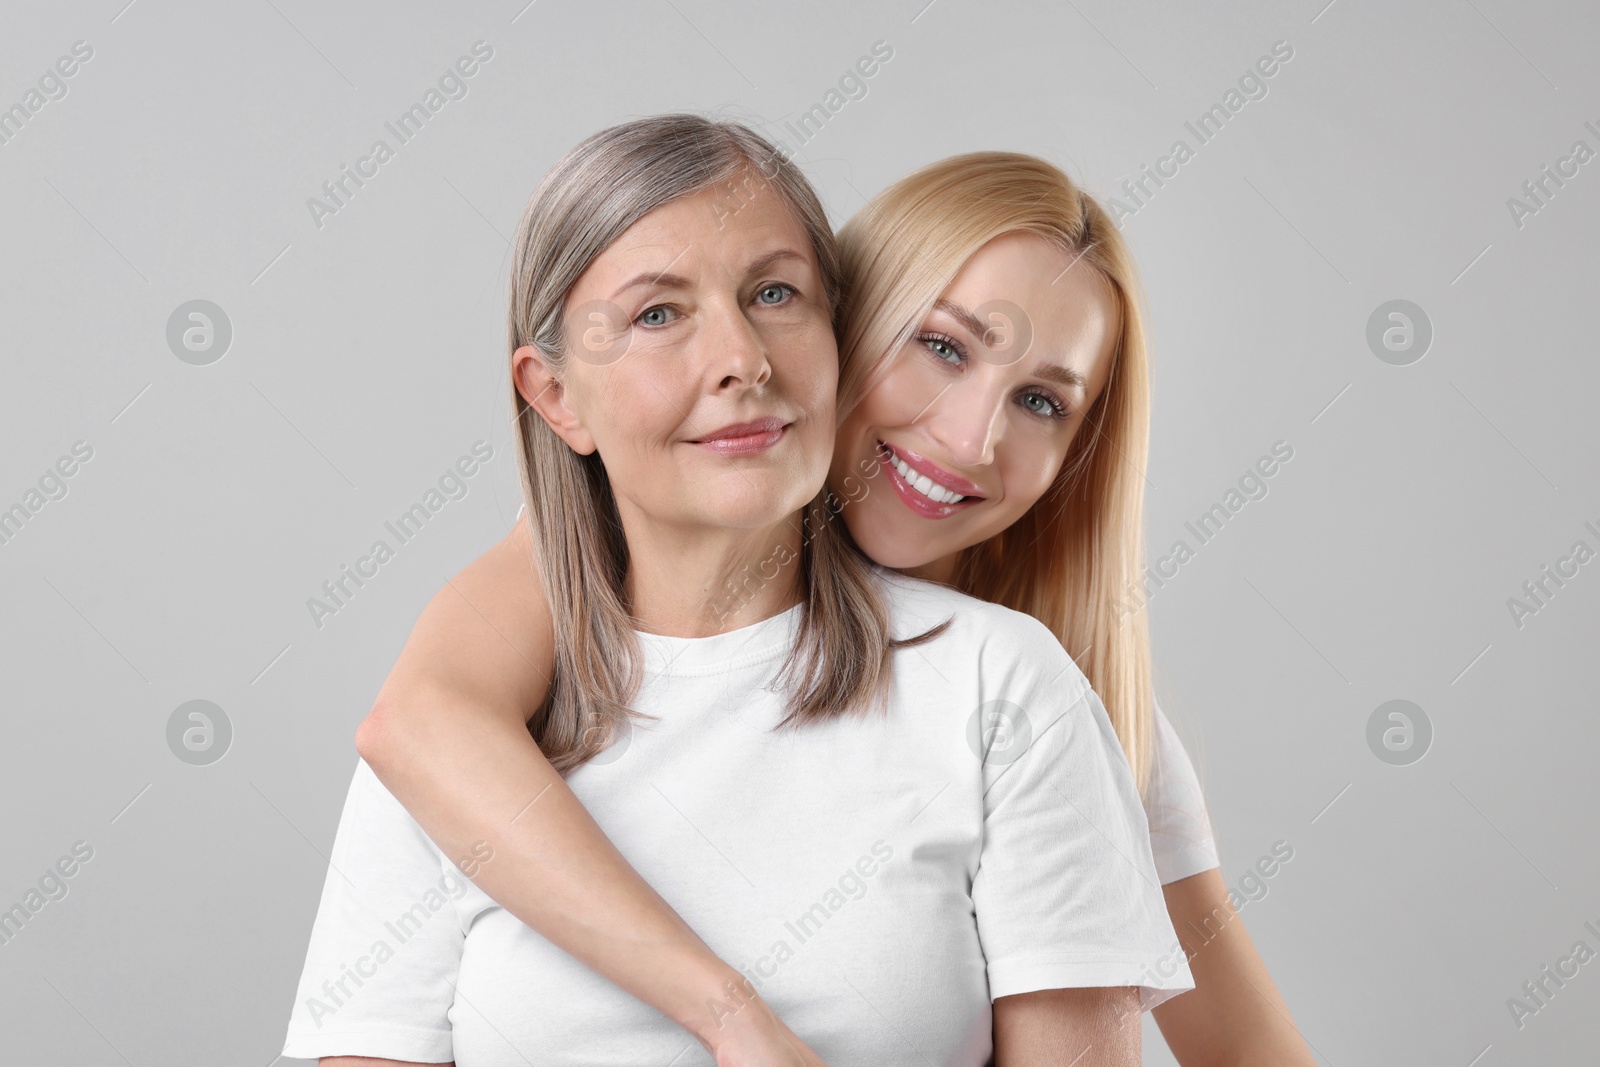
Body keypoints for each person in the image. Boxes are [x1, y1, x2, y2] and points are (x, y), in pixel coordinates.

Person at [347, 135, 1317, 1066]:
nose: (971, 436)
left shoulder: (1045, 693)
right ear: (845, 328)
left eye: (1040, 401)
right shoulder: (566, 605)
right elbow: (421, 718)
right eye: (939, 346)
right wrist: (729, 1014)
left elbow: (1242, 1049)